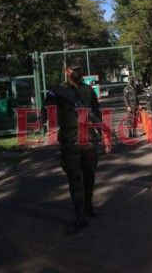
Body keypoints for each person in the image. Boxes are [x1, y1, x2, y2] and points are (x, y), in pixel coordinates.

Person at [41, 66, 112, 234]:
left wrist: (106, 135)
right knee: (74, 178)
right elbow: (46, 110)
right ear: (66, 71)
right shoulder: (57, 91)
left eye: (79, 70)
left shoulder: (88, 90)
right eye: (73, 69)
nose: (76, 72)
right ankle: (80, 217)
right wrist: (42, 118)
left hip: (88, 138)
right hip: (69, 140)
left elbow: (96, 113)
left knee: (89, 175)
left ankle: (88, 205)